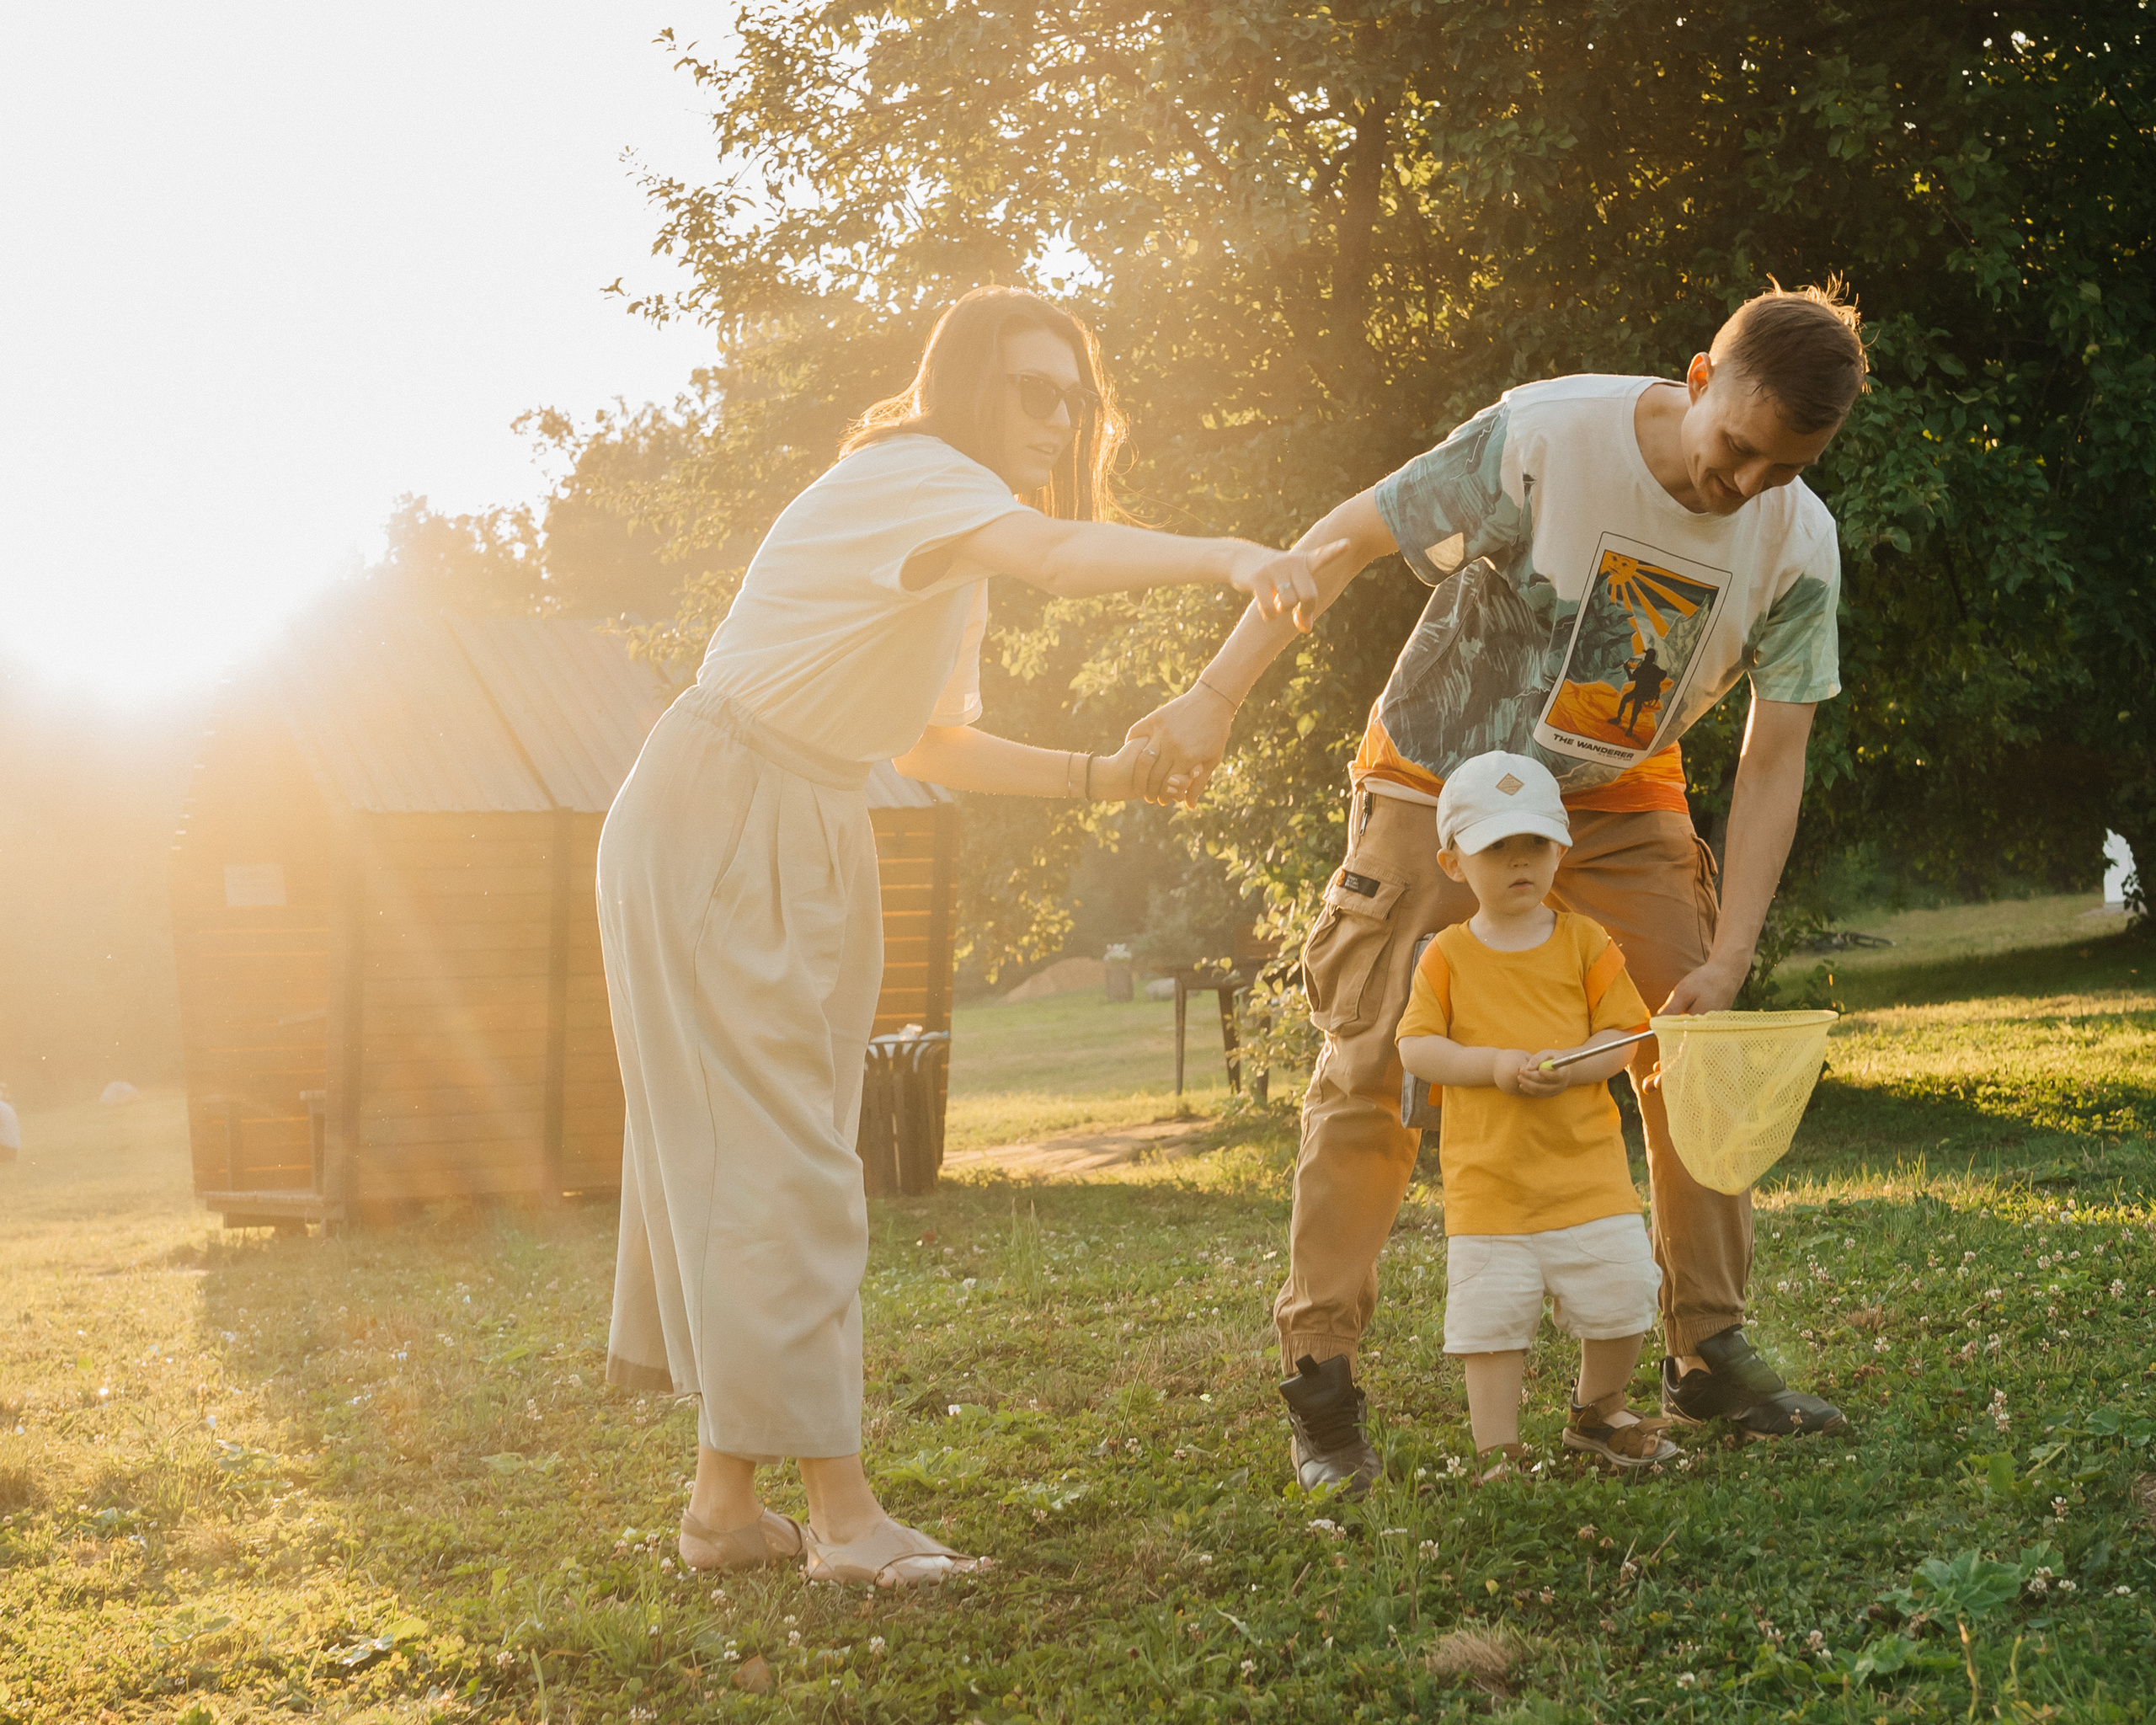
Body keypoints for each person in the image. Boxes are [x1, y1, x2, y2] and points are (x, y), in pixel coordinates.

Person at [598, 286, 1347, 1586]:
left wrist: (1100, 780)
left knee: (782, 1151)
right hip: (724, 803)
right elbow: (1063, 555)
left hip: (817, 810)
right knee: (787, 1168)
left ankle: (726, 1511)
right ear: (964, 389)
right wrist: (1236, 556)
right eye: (1033, 390)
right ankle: (842, 1522)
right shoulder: (912, 474)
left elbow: (923, 741)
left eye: (1076, 397)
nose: (1060, 419)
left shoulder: (955, 543)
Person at [1131, 281, 1865, 1493]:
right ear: (1696, 379)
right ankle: (1322, 1378)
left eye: (1781, 470)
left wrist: (1729, 953)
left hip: (1620, 792)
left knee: (1693, 1038)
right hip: (1442, 771)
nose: (1742, 488)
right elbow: (1345, 540)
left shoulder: (1798, 547)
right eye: (1734, 449)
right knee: (1372, 1064)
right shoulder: (1546, 440)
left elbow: (1774, 754)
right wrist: (1216, 694)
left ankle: (1707, 1349)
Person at [1391, 752, 1677, 1481]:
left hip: (1587, 1176)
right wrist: (1489, 1066)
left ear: (1561, 847)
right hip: (1491, 1188)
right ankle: (1499, 1449)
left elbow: (1623, 1033)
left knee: (1623, 1295)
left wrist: (1582, 1063)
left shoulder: (1585, 941)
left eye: (1535, 844)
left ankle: (1598, 1411)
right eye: (1496, 848)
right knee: (1491, 1325)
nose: (1519, 861)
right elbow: (1417, 1047)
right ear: (1454, 863)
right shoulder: (1448, 957)